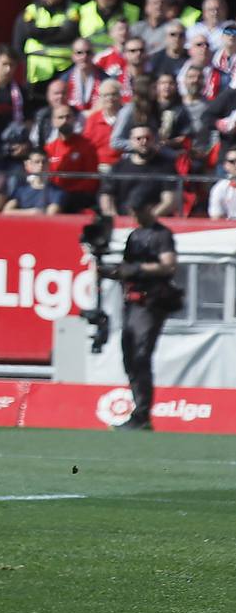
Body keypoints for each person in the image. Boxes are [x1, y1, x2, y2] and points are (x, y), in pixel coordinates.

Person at [97, 185, 180, 432]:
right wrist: (110, 272)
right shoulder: (135, 236)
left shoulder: (161, 235)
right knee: (130, 357)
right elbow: (126, 268)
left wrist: (139, 270)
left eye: (137, 210)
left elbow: (168, 266)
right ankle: (139, 411)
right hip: (132, 302)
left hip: (151, 302)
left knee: (141, 355)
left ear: (148, 208)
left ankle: (143, 413)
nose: (135, 215)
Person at [4, 147, 63, 215]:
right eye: (37, 162)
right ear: (28, 164)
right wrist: (32, 212)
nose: (41, 165)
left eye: (44, 162)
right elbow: (6, 211)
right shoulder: (21, 190)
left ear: (48, 164)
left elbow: (51, 214)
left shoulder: (57, 192)